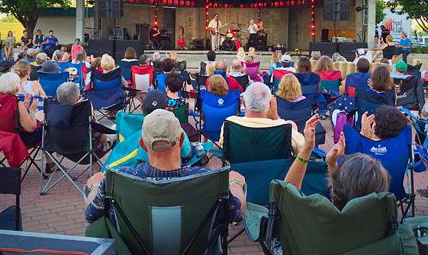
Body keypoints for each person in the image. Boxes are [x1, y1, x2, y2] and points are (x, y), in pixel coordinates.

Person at [84, 109, 246, 229]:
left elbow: (91, 215)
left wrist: (97, 185)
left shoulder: (118, 179)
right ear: (182, 140)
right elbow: (236, 214)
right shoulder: (208, 180)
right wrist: (235, 183)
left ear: (142, 145)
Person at [284, 116, 390, 210]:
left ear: (336, 191)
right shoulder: (382, 228)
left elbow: (288, 193)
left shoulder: (314, 216)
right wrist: (332, 164)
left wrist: (307, 148)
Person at [222, 82, 305, 153]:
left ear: (244, 103)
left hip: (239, 170)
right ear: (270, 104)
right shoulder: (283, 127)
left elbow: (223, 145)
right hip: (275, 170)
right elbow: (301, 147)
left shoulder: (230, 123)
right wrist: (276, 117)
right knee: (292, 124)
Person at [0, 72, 43, 147]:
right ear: (17, 87)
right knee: (46, 126)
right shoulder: (16, 102)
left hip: (0, 136)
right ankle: (52, 155)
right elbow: (31, 128)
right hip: (19, 139)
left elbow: (10, 117)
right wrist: (32, 110)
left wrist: (24, 108)